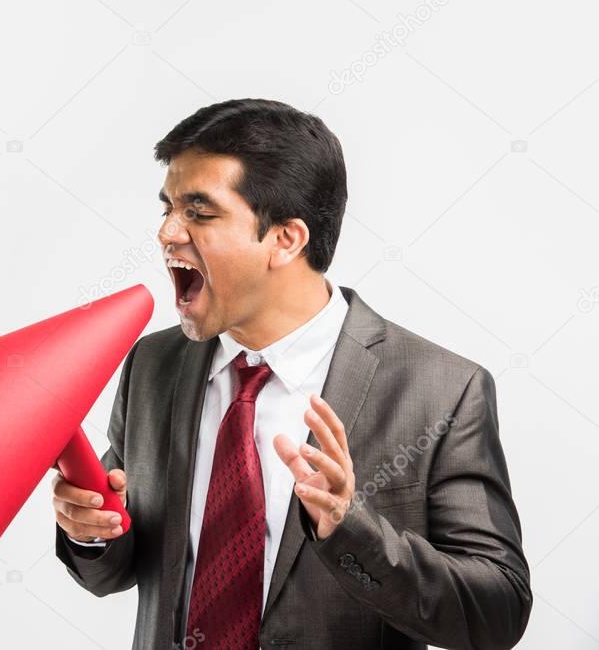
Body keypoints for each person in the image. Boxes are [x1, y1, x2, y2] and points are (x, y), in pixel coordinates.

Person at [51, 99, 531, 649]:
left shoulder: (443, 391)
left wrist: (353, 529)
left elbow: (496, 614)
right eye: (167, 208)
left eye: (199, 212)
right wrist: (91, 534)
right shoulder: (152, 366)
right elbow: (116, 570)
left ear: (286, 239)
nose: (167, 232)